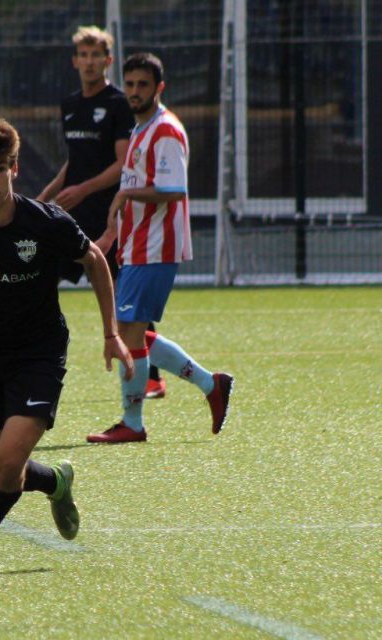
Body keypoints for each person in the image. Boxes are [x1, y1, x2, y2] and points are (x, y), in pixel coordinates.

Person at [0, 114, 133, 578]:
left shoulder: (44, 222)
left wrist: (111, 333)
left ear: (14, 169)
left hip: (39, 353)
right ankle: (55, 481)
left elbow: (95, 259)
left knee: (8, 462)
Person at [88, 53, 234, 444]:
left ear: (160, 88)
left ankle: (133, 423)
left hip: (156, 247)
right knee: (129, 332)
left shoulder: (165, 130)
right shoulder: (141, 129)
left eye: (143, 85)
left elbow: (173, 191)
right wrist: (114, 231)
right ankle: (211, 384)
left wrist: (124, 195)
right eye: (130, 84)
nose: (135, 92)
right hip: (137, 245)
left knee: (129, 333)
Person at [37, 25, 168, 399]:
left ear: (108, 60)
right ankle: (31, 359)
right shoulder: (70, 105)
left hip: (109, 217)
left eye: (97, 55)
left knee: (127, 301)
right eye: (84, 55)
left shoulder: (118, 103)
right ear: (74, 61)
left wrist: (83, 189)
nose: (90, 62)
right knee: (40, 277)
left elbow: (122, 163)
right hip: (73, 216)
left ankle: (152, 376)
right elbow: (75, 162)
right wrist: (44, 197)